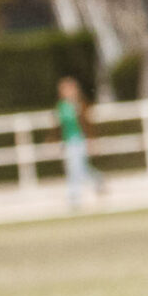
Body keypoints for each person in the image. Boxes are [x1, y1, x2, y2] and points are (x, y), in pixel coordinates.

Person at [56, 76, 104, 208]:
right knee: (78, 168)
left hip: (79, 139)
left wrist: (91, 140)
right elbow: (59, 127)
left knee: (75, 168)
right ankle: (98, 180)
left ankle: (74, 197)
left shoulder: (80, 105)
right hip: (68, 141)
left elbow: (87, 124)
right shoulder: (61, 106)